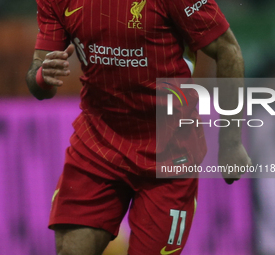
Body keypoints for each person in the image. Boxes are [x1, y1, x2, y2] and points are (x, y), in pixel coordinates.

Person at [26, 0, 251, 254]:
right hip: (98, 145)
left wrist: (232, 141)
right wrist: (41, 76)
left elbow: (228, 49)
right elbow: (39, 75)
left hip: (170, 153)